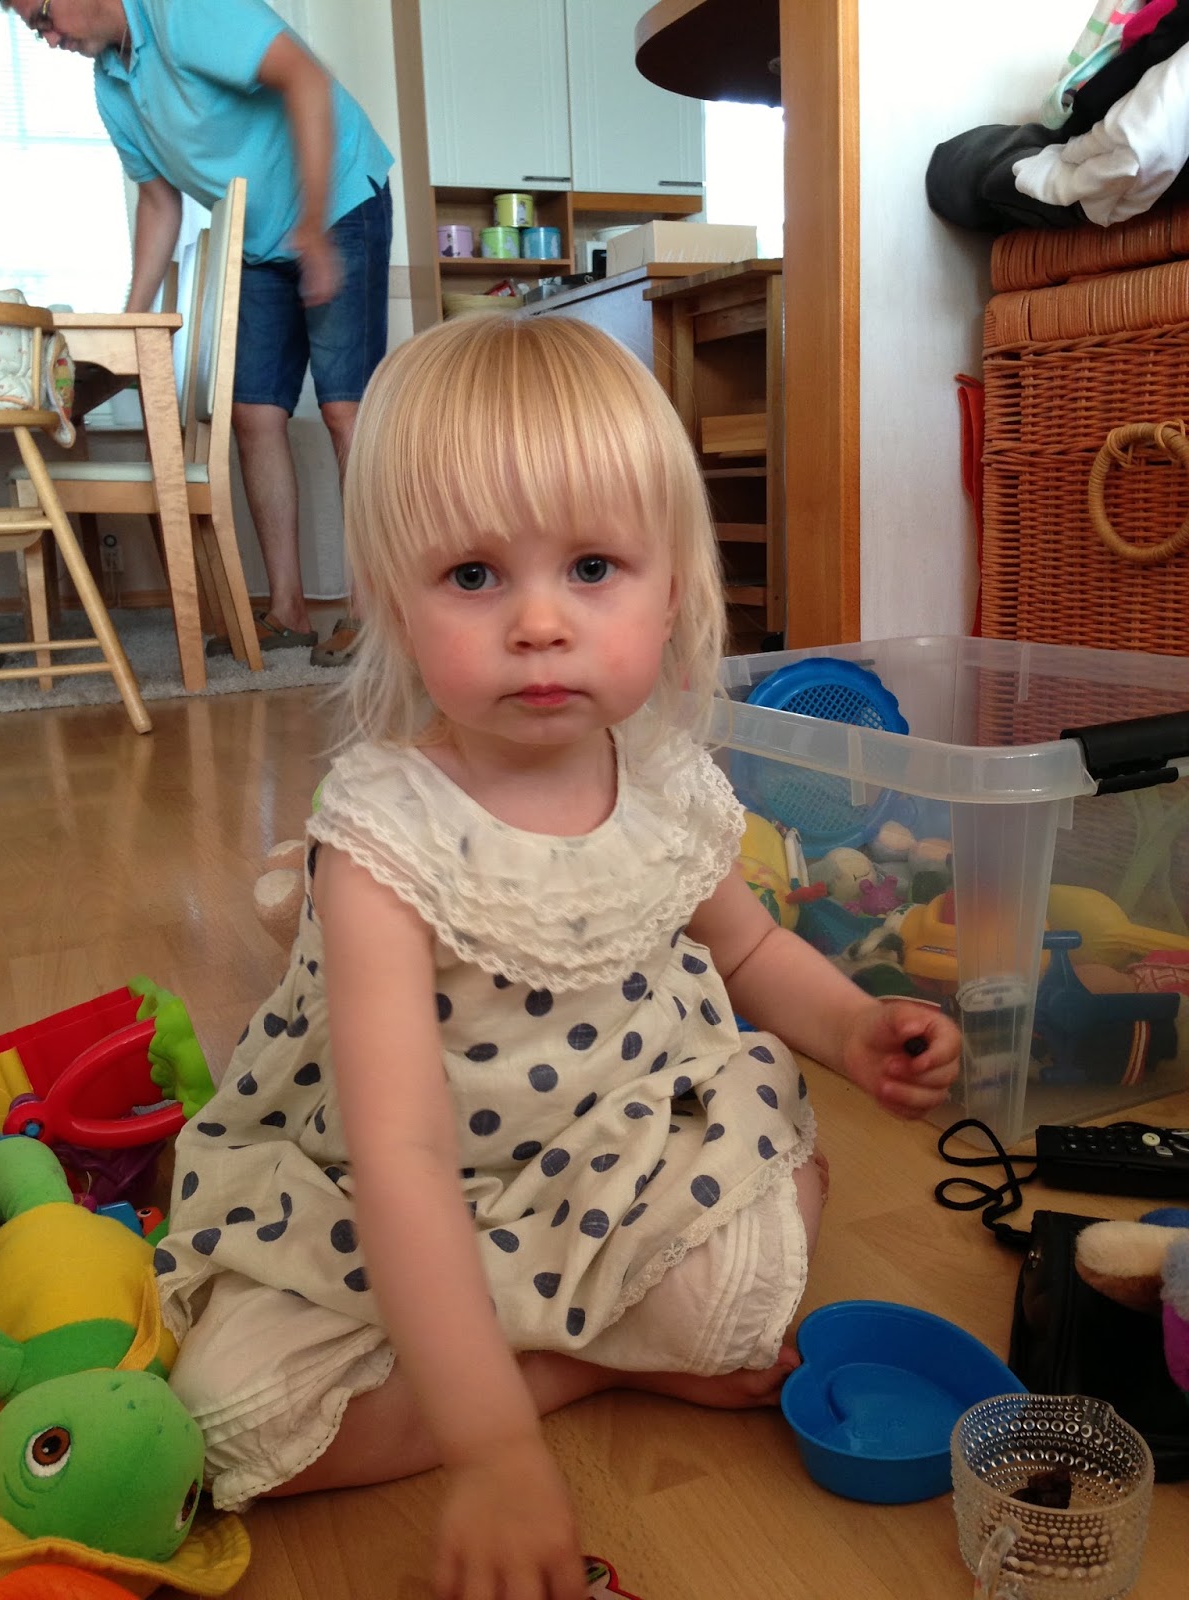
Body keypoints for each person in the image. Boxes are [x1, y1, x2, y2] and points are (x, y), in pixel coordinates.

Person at [153, 316, 963, 1600]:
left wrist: (856, 1028)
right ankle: (578, 1365)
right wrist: (491, 1448)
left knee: (754, 1264)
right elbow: (402, 1156)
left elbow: (751, 947)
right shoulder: (380, 839)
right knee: (229, 1421)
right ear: (392, 598)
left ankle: (590, 1345)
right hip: (400, 1198)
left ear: (671, 589)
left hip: (615, 1157)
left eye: (592, 567)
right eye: (474, 575)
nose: (539, 622)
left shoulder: (667, 783)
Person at [5, 0, 393, 665]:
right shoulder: (112, 88)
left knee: (344, 410)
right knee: (253, 415)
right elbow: (160, 202)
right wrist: (132, 321)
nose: (47, 38)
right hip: (258, 235)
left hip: (334, 202)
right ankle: (288, 611)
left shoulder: (182, 11)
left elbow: (305, 77)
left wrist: (311, 228)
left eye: (42, 16)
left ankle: (371, 613)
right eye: (33, 29)